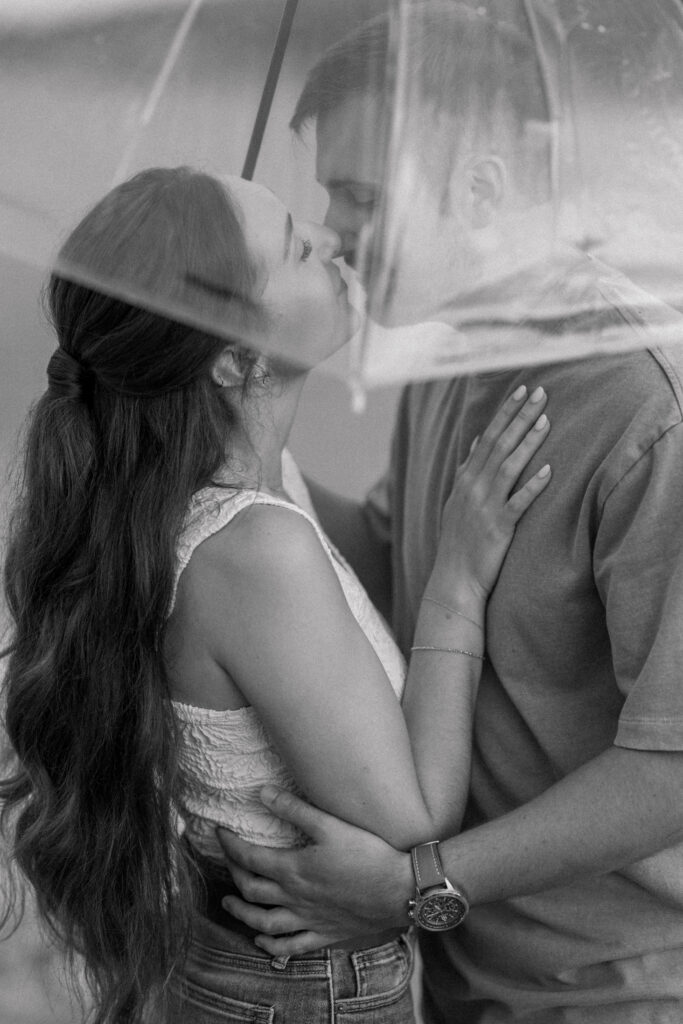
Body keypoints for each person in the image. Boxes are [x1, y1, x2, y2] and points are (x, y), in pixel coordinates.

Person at [213, 6, 683, 1023]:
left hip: (607, 994)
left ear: (479, 187)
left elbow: (671, 766)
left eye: (359, 198)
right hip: (455, 972)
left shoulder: (648, 413)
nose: (333, 234)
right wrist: (236, 454)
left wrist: (415, 880)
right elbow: (395, 566)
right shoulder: (451, 349)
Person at [0, 164, 552, 1024]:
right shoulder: (254, 550)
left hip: (251, 965)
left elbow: (340, 562)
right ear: (232, 358)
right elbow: (414, 820)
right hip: (306, 993)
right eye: (297, 246)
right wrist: (458, 578)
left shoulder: (213, 492)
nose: (331, 241)